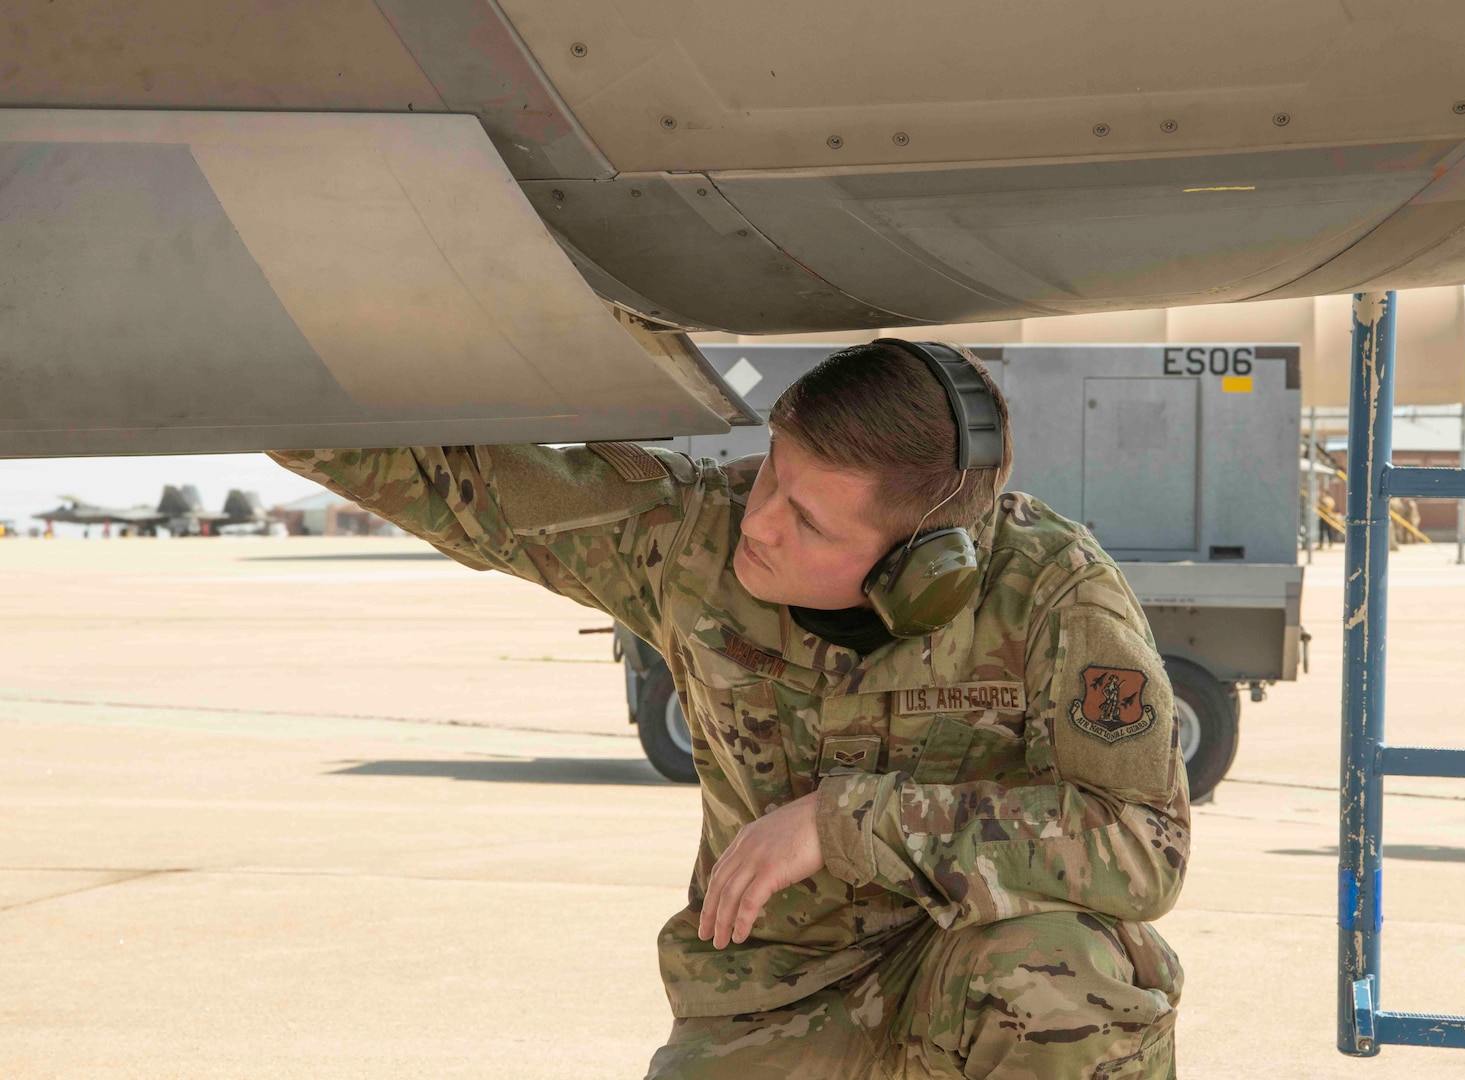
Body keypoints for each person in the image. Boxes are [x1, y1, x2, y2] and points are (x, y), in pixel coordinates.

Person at [271, 340, 1188, 1079]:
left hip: (970, 974)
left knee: (1062, 976)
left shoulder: (1056, 598)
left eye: (810, 522)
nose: (758, 522)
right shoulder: (693, 541)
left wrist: (847, 825)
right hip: (771, 1001)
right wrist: (247, 361)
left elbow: (1147, 844)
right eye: (769, 479)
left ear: (921, 566)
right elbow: (452, 483)